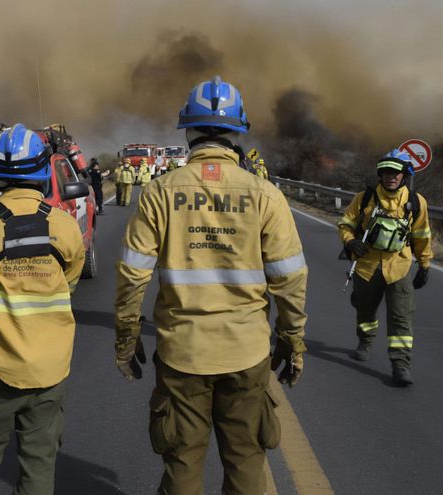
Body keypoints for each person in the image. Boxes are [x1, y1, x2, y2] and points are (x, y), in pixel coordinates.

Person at [114, 76, 308, 494]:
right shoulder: (265, 195)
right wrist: (292, 342)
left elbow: (133, 274)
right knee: (246, 465)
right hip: (247, 352)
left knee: (182, 465)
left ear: (188, 131)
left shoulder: (159, 192)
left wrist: (127, 338)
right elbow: (289, 278)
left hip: (182, 352)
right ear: (238, 131)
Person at [0, 123, 85, 494]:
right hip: (50, 368)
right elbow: (69, 284)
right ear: (42, 171)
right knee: (39, 463)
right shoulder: (65, 226)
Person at [338, 149, 432, 385]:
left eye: (396, 172)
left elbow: (422, 235)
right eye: (387, 172)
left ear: (404, 175)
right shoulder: (364, 198)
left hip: (399, 267)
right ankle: (366, 341)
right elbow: (345, 224)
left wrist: (424, 264)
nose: (391, 176)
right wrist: (351, 242)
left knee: (401, 317)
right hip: (367, 266)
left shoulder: (416, 202)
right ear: (380, 175)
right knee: (365, 311)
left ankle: (400, 365)